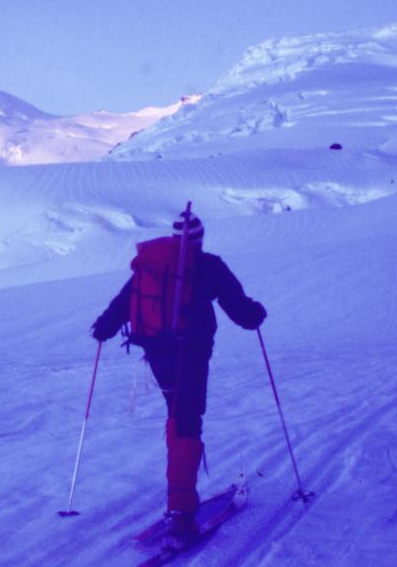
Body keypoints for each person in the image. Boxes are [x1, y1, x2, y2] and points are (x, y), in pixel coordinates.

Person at [90, 207, 266, 548]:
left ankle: (180, 498)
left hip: (157, 354)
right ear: (199, 240)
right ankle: (181, 512)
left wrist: (103, 328)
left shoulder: (155, 264)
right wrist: (257, 314)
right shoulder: (210, 266)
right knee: (188, 422)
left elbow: (125, 301)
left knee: (177, 416)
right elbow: (240, 310)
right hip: (192, 355)